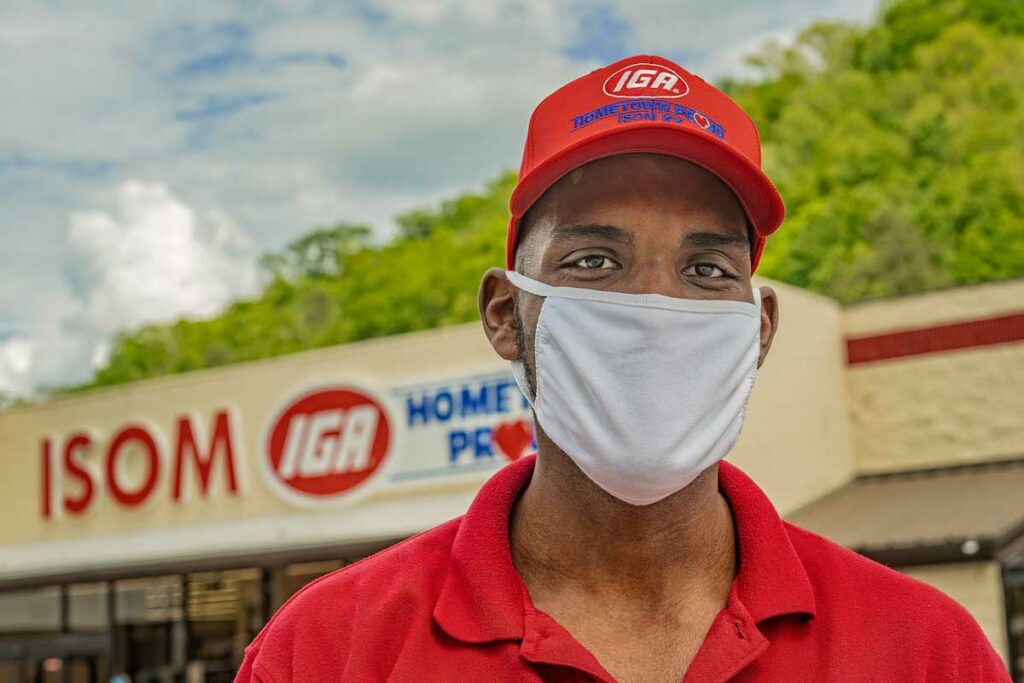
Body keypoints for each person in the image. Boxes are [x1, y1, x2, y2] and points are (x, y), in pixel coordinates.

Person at [235, 55, 1010, 682]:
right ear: (505, 314)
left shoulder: (924, 650)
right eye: (595, 259)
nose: (653, 308)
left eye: (706, 269)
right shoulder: (330, 651)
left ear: (760, 328)